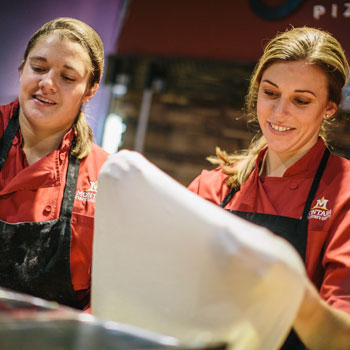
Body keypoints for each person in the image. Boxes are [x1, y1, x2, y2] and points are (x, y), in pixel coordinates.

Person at [188, 27, 350, 349]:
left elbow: (342, 338)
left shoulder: (345, 193)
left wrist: (289, 293)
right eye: (270, 93)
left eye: (301, 100)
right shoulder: (214, 185)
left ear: (329, 108)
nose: (279, 113)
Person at [0, 17, 109, 310]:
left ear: (90, 89)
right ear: (22, 68)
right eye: (38, 68)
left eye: (67, 77)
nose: (47, 83)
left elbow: (108, 293)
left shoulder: (106, 178)